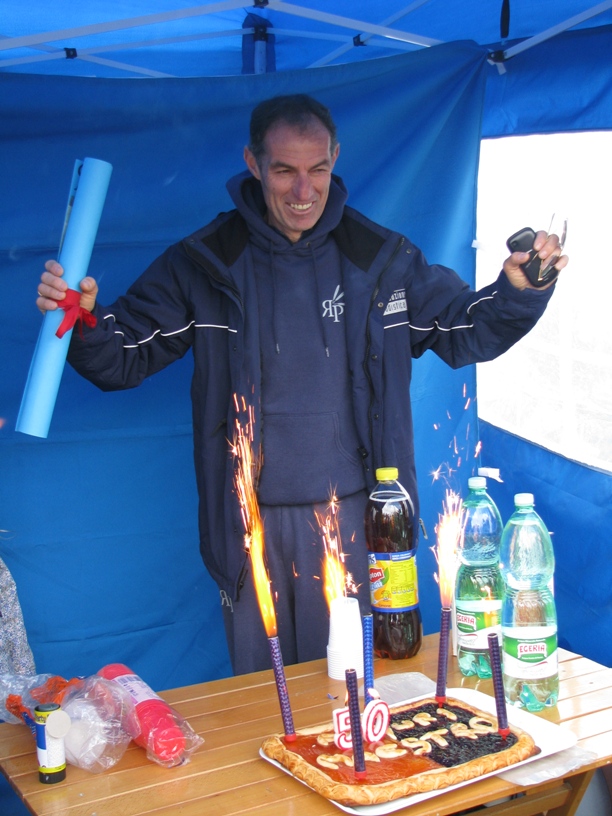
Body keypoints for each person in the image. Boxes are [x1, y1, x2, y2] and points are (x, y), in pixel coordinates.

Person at [36, 94, 567, 676]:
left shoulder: (381, 259)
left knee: (359, 693)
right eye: (284, 170)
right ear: (253, 163)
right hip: (248, 529)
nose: (303, 191)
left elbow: (466, 331)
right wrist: (83, 321)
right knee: (269, 700)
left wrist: (518, 293)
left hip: (361, 523)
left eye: (317, 168)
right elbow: (123, 358)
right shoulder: (206, 261)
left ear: (335, 158)